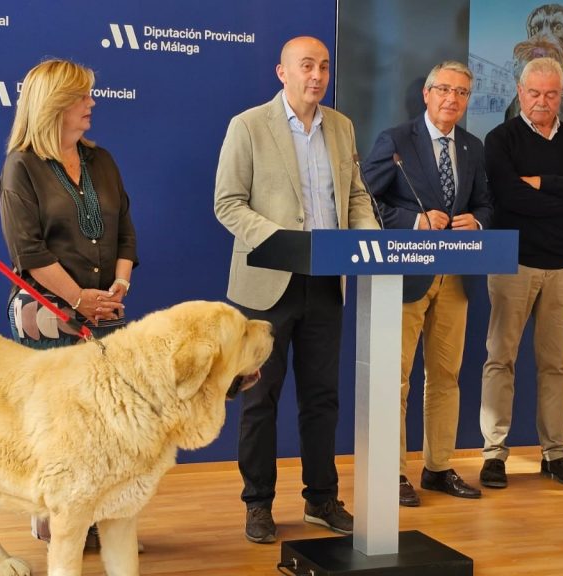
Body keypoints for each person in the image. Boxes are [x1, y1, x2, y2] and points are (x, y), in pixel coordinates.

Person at [213, 36, 379, 544]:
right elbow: (228, 203)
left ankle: (321, 499)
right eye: (306, 66)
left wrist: (368, 241)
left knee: (322, 397)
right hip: (268, 284)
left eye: (324, 66)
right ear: (281, 72)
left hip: (328, 281)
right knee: (260, 398)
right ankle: (258, 504)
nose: (317, 75)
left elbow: (355, 196)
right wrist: (285, 244)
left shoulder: (342, 126)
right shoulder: (248, 125)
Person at [0, 59, 139, 544]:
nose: (91, 104)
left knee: (103, 424)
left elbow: (125, 232)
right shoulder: (22, 166)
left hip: (106, 311)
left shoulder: (102, 160)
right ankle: (58, 519)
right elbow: (28, 252)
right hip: (49, 317)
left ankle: (95, 517)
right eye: (82, 97)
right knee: (62, 427)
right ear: (54, 105)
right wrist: (80, 299)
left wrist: (117, 288)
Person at [363, 61, 493, 507]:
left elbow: (487, 205)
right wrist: (413, 221)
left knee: (446, 376)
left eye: (461, 93)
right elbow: (364, 199)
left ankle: (438, 467)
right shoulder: (397, 141)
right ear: (426, 93)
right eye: (443, 90)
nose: (451, 99)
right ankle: (392, 473)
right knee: (395, 379)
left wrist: (476, 220)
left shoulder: (473, 148)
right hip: (405, 275)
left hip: (455, 278)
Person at [478, 56, 563, 489]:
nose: (542, 101)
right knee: (501, 360)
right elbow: (510, 198)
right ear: (520, 93)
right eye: (534, 93)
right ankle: (494, 455)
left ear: (561, 96)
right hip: (511, 262)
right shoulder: (500, 139)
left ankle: (555, 454)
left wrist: (543, 182)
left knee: (556, 364)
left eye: (551, 94)